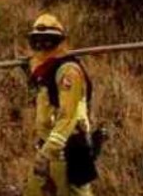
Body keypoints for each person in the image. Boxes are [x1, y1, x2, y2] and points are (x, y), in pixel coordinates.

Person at [25, 13, 99, 196]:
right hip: (48, 149)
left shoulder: (68, 72)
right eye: (37, 42)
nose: (42, 47)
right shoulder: (45, 69)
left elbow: (68, 116)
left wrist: (47, 151)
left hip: (69, 150)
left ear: (59, 42)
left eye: (47, 41)